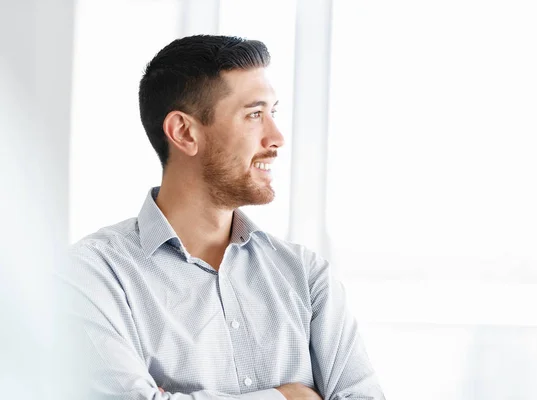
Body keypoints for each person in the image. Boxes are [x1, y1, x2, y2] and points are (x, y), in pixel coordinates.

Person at [58, 34, 385, 400]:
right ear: (184, 132)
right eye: (254, 115)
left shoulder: (306, 277)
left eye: (272, 113)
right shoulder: (93, 275)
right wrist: (286, 396)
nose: (277, 138)